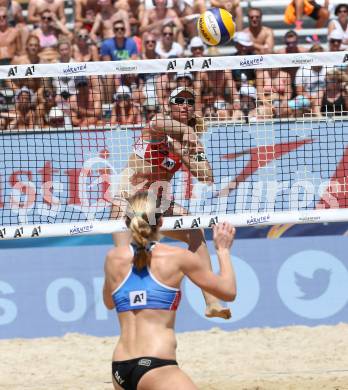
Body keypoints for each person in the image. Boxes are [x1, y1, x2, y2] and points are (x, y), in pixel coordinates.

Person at [110, 86, 232, 320]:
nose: (185, 104)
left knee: (195, 230)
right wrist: (187, 132)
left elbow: (206, 176)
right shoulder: (156, 130)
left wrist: (190, 152)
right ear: (170, 105)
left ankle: (211, 301)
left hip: (157, 203)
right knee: (124, 261)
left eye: (189, 101)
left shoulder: (189, 140)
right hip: (127, 202)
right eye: (179, 100)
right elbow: (157, 121)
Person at [103, 191, 237, 390]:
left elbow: (109, 302)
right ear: (162, 222)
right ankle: (211, 304)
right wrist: (223, 251)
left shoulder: (114, 258)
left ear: (126, 221)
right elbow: (228, 291)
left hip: (120, 368)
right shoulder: (176, 257)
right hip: (156, 366)